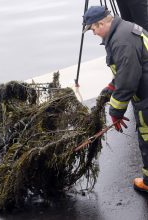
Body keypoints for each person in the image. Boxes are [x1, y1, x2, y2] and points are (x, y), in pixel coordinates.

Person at [82, 5, 148, 192]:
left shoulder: (121, 41)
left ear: (101, 23)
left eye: (93, 28)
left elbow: (128, 81)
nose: (93, 33)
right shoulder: (125, 29)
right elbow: (129, 67)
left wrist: (116, 111)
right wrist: (112, 85)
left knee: (146, 136)